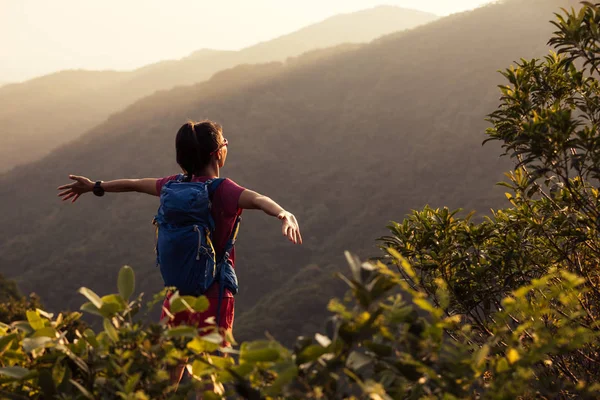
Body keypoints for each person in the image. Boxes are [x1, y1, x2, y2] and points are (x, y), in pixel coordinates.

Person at [56, 119, 302, 347]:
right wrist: (284, 214)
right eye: (225, 142)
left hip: (177, 294)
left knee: (170, 369)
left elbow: (134, 183)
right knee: (211, 373)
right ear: (218, 153)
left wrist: (95, 186)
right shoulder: (223, 190)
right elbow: (259, 199)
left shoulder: (171, 185)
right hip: (214, 295)